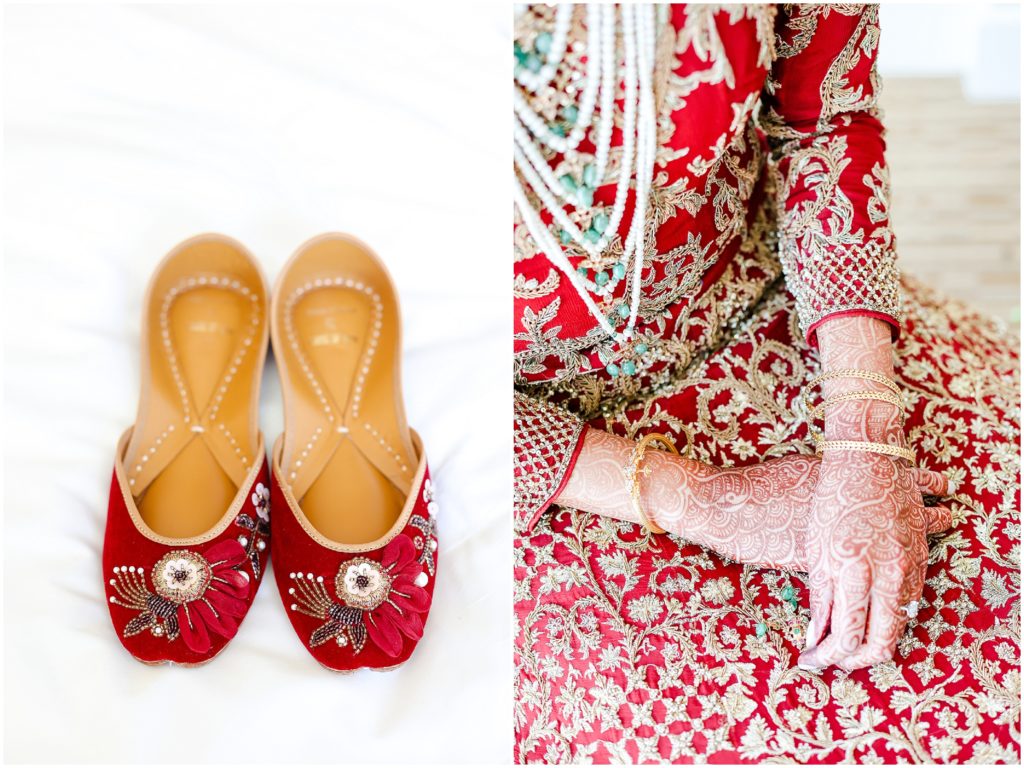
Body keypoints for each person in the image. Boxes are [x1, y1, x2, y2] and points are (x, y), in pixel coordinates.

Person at [513, 4, 1019, 763]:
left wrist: (864, 433)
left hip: (779, 307)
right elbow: (372, 334)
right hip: (543, 449)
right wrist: (701, 498)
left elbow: (825, 116)